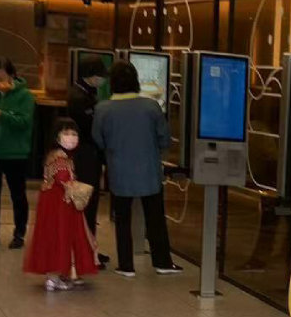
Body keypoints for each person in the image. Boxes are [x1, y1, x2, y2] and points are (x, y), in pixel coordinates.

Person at [92, 58, 181, 279]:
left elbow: (98, 140)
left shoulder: (102, 109)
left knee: (122, 219)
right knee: (155, 218)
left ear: (112, 83)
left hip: (119, 172)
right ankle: (162, 262)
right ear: (136, 81)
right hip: (149, 171)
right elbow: (164, 139)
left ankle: (126, 265)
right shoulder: (151, 106)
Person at [22, 117, 98, 291]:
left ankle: (59, 273)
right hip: (60, 204)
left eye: (74, 134)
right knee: (60, 235)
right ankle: (54, 275)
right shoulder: (61, 158)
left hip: (55, 202)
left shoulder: (56, 155)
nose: (71, 138)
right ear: (57, 136)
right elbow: (63, 178)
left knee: (56, 235)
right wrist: (80, 189)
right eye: (66, 133)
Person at [0, 59, 36, 248]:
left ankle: (19, 233)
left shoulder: (25, 96)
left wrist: (2, 115)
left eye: (1, 77)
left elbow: (25, 122)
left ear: (12, 75)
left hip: (15, 153)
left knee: (18, 194)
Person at [67, 58, 109, 267]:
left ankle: (90, 248)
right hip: (85, 156)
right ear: (90, 75)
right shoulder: (79, 98)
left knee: (88, 205)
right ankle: (85, 252)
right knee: (86, 204)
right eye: (99, 75)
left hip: (86, 155)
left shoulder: (86, 94)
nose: (101, 80)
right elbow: (89, 128)